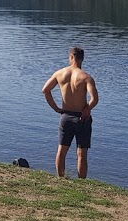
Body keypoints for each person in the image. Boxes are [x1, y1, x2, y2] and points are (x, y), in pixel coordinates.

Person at [42, 46, 98, 178]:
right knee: (81, 154)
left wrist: (56, 108)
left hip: (66, 116)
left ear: (71, 57)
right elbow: (95, 99)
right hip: (82, 118)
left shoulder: (59, 73)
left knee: (62, 150)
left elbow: (45, 90)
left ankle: (61, 178)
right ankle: (81, 183)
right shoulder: (86, 77)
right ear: (82, 59)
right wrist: (87, 108)